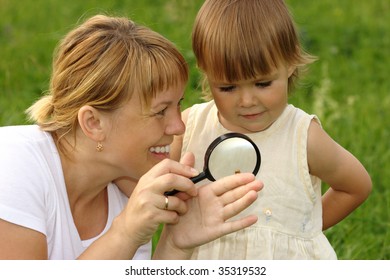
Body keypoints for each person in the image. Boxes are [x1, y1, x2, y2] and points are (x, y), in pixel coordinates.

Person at [0, 14, 263, 260]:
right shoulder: (12, 164)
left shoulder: (128, 193)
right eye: (160, 111)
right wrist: (124, 232)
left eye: (177, 105)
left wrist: (175, 244)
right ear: (93, 123)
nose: (177, 127)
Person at [171, 0, 372, 259]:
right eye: (228, 87)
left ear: (290, 64)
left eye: (262, 83)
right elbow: (147, 185)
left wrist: (303, 231)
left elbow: (356, 186)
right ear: (206, 73)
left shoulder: (302, 137)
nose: (247, 101)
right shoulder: (190, 129)